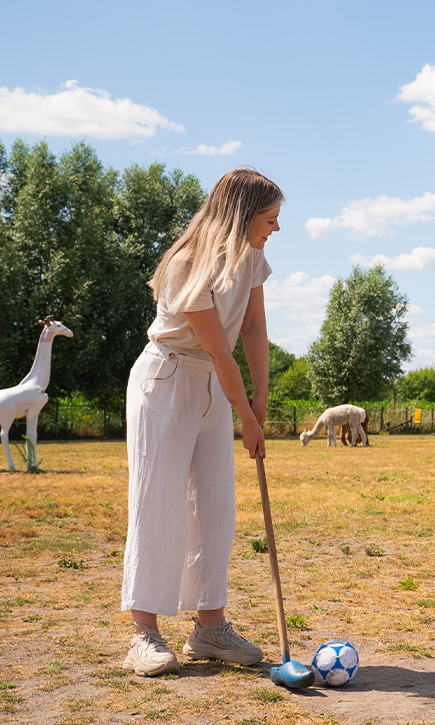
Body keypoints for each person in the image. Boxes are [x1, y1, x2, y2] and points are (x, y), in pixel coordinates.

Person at [120, 168, 281, 676]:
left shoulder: (251, 258)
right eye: (270, 218)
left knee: (215, 505)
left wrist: (261, 396)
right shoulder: (188, 264)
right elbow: (217, 348)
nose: (276, 228)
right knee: (158, 502)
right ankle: (144, 634)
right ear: (242, 215)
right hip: (165, 381)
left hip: (214, 381)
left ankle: (210, 627)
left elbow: (253, 328)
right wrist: (246, 420)